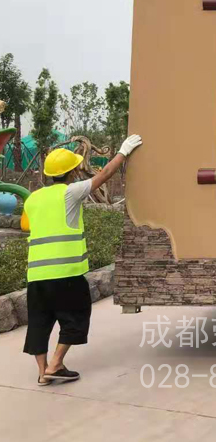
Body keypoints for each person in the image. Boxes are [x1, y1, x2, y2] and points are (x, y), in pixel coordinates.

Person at [23, 134, 143, 385]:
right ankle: (56, 364)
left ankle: (43, 372)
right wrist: (123, 152)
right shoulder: (70, 192)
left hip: (36, 274)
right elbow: (104, 174)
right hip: (66, 273)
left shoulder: (33, 198)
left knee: (39, 323)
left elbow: (27, 226)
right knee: (76, 317)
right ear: (72, 172)